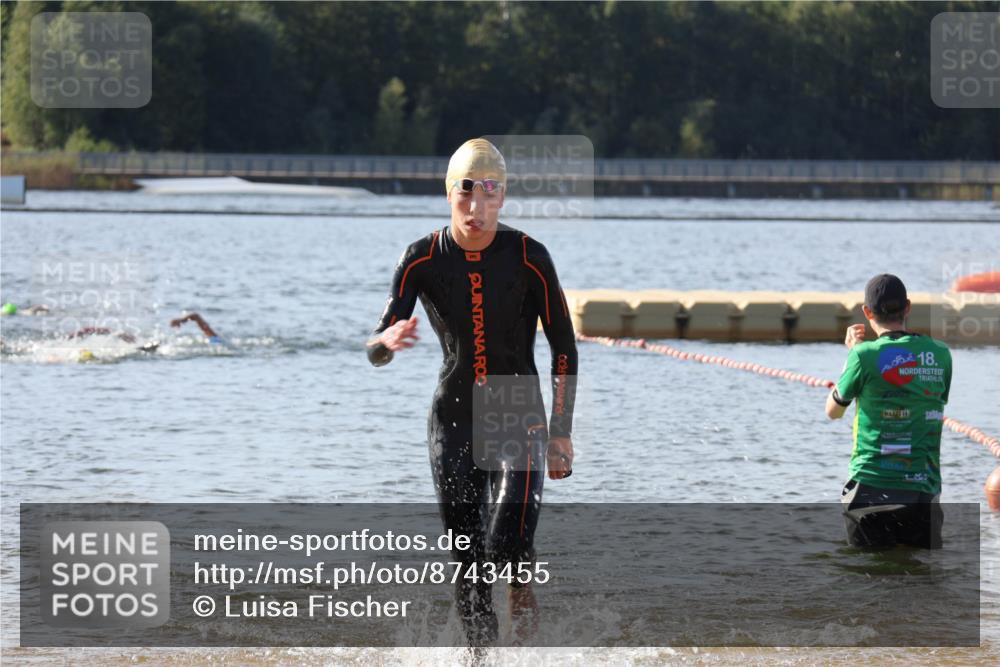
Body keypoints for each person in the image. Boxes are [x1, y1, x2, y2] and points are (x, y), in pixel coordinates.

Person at [365, 138, 578, 646]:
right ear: (448, 195)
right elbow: (375, 345)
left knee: (508, 543)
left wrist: (562, 434)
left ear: (502, 198)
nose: (476, 208)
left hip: (516, 408)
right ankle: (481, 660)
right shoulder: (421, 258)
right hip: (453, 416)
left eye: (489, 195)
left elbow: (564, 346)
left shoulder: (529, 256)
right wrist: (385, 344)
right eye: (466, 194)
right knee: (468, 558)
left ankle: (524, 640)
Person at [826, 274, 952, 548]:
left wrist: (851, 355)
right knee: (921, 578)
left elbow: (833, 411)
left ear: (867, 312)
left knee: (867, 577)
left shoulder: (862, 355)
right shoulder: (940, 354)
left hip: (870, 486)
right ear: (907, 307)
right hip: (922, 489)